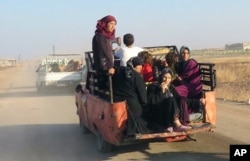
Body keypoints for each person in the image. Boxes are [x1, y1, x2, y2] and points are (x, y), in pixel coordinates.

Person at [112, 56, 150, 136]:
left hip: (117, 102)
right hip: (133, 106)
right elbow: (143, 98)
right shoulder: (137, 76)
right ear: (135, 66)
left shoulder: (119, 71)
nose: (140, 68)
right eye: (139, 66)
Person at [147, 68, 192, 132]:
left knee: (179, 99)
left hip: (170, 115)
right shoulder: (153, 87)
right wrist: (161, 92)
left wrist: (198, 102)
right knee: (170, 99)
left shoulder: (171, 88)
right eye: (164, 77)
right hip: (158, 114)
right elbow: (151, 102)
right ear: (161, 77)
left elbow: (178, 99)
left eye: (169, 78)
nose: (166, 80)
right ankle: (177, 125)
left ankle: (176, 124)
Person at [172, 46, 203, 125]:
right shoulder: (182, 64)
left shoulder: (191, 63)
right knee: (171, 88)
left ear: (189, 55)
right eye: (183, 53)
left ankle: (181, 113)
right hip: (187, 85)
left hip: (193, 87)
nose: (185, 55)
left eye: (187, 53)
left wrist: (180, 80)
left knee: (175, 91)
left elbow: (188, 78)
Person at [92, 15, 117, 90]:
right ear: (105, 24)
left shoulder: (105, 36)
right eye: (111, 24)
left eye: (114, 24)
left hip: (104, 68)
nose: (113, 26)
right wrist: (110, 67)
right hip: (104, 70)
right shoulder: (101, 36)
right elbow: (104, 53)